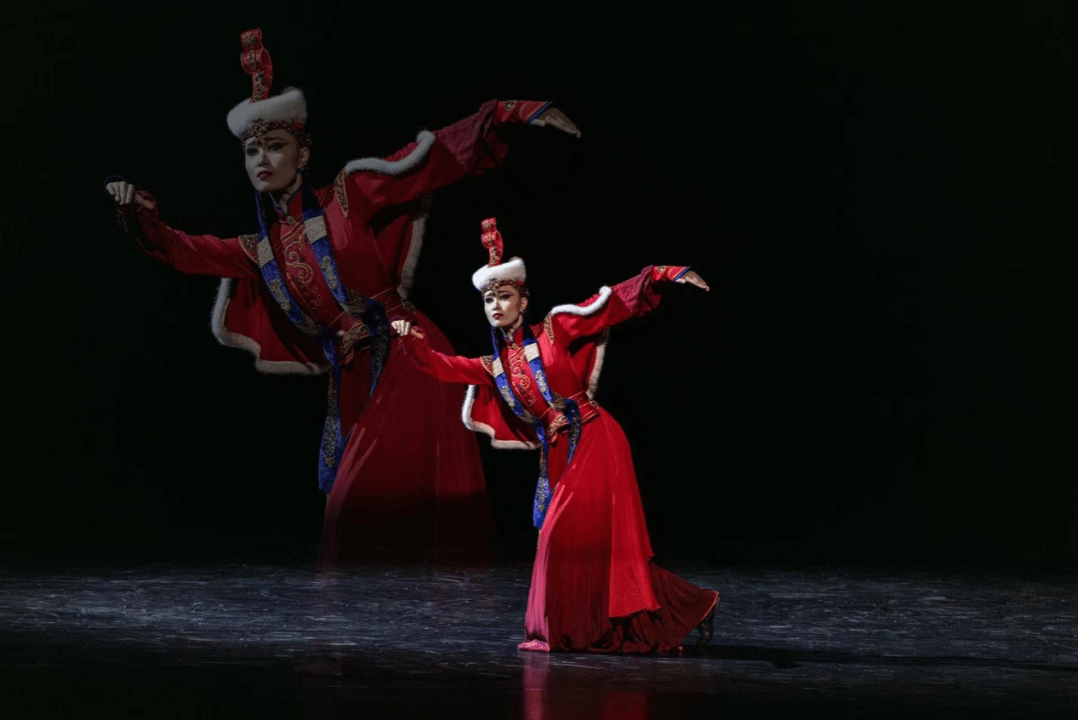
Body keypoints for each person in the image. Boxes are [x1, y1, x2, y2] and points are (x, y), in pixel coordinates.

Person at [103, 29, 581, 568]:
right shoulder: (259, 249)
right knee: (380, 508)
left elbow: (425, 161)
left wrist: (507, 113)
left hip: (407, 354)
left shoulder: (348, 196)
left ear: (303, 152)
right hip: (352, 374)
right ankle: (392, 611)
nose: (262, 159)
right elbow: (184, 250)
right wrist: (138, 213)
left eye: (276, 146)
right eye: (252, 150)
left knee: (358, 503)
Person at [393, 218, 719, 653]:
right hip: (560, 451)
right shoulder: (493, 367)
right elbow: (441, 367)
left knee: (558, 537)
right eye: (488, 298)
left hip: (596, 437)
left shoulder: (554, 329)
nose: (495, 305)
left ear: (523, 301)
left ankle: (567, 629)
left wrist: (661, 274)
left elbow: (608, 306)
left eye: (504, 296)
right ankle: (690, 605)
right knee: (590, 547)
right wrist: (410, 340)